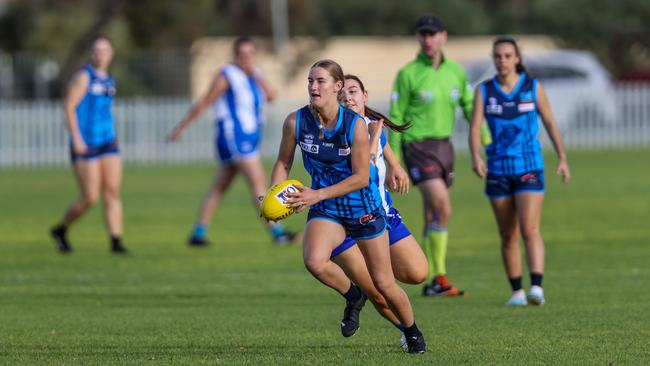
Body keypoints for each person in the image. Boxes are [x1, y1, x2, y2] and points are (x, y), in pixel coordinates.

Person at [269, 59, 426, 353]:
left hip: (361, 207)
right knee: (314, 261)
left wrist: (316, 195)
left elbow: (361, 177)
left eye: (320, 82)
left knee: (383, 283)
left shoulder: (354, 125)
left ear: (336, 87)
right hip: (328, 209)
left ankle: (412, 331)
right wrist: (273, 196)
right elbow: (282, 162)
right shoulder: (295, 121)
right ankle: (353, 295)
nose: (313, 87)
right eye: (310, 81)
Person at [388, 15, 491, 296]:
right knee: (443, 207)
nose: (428, 39)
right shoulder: (408, 74)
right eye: (423, 34)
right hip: (418, 147)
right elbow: (395, 119)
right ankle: (439, 278)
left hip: (445, 148)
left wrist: (486, 141)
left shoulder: (456, 72)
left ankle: (428, 277)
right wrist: (393, 163)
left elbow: (471, 108)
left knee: (432, 212)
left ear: (443, 36)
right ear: (418, 38)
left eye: (433, 34)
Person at [468, 36, 570, 306]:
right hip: (498, 170)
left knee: (529, 228)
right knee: (508, 233)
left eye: (507, 56)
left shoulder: (532, 88)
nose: (502, 61)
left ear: (517, 59)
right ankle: (517, 292)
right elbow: (475, 126)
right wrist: (475, 156)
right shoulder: (484, 91)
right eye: (497, 56)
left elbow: (549, 121)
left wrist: (562, 156)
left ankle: (536, 287)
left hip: (529, 167)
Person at [329, 74, 428, 348]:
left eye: (353, 91)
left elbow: (383, 146)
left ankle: (375, 274)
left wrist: (396, 167)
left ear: (365, 95)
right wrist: (372, 141)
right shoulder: (337, 131)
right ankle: (407, 331)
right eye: (342, 94)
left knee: (418, 273)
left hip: (382, 215)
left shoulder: (374, 128)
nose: (347, 97)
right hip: (345, 222)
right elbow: (363, 170)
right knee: (379, 292)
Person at [168, 36, 296, 246]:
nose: (246, 58)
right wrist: (181, 127)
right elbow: (205, 101)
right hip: (234, 136)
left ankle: (198, 233)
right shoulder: (227, 75)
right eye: (242, 54)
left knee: (219, 187)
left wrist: (257, 75)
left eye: (250, 54)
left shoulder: (254, 76)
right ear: (235, 55)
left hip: (248, 137)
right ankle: (277, 232)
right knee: (258, 182)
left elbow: (272, 96)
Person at [50, 36, 126, 254]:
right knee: (90, 197)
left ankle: (116, 242)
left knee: (112, 191)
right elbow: (69, 107)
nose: (100, 54)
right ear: (91, 53)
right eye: (96, 50)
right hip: (86, 142)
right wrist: (77, 138)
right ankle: (61, 229)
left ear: (111, 53)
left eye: (105, 50)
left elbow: (104, 110)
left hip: (108, 141)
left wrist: (113, 133)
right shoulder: (84, 77)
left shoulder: (109, 79)